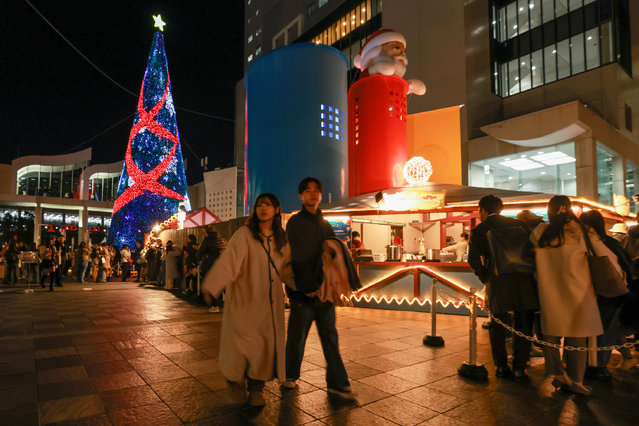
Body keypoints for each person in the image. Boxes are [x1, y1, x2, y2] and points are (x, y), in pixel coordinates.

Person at [201, 193, 290, 407]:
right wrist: (212, 286)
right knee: (243, 345)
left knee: (262, 348)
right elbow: (228, 262)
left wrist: (305, 286)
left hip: (269, 304)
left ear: (277, 209)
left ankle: (257, 390)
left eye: (268, 204)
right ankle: (235, 378)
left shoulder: (281, 239)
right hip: (245, 300)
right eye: (260, 204)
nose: (263, 208)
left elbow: (288, 269)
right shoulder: (244, 235)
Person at [530, 195, 623, 395]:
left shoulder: (541, 233)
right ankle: (577, 381)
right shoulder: (583, 231)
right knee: (577, 339)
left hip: (550, 293)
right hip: (580, 293)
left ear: (550, 210)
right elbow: (608, 257)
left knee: (551, 337)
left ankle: (558, 374)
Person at [283, 177, 352, 397]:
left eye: (316, 190)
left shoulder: (324, 224)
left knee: (330, 338)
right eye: (308, 190)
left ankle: (337, 381)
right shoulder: (295, 223)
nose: (313, 194)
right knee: (296, 337)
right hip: (302, 294)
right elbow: (297, 257)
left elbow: (331, 256)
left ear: (320, 195)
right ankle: (290, 375)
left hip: (324, 294)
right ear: (301, 196)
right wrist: (305, 287)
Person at [468, 195, 539, 381]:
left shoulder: (480, 230)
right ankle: (520, 367)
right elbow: (533, 252)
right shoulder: (522, 226)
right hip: (524, 281)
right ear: (501, 208)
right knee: (523, 324)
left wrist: (486, 277)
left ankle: (501, 367)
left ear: (482, 210)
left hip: (498, 281)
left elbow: (473, 260)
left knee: (498, 324)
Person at [580, 210, 633, 380]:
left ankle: (595, 365)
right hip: (614, 293)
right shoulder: (611, 243)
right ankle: (599, 366)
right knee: (607, 330)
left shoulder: (586, 243)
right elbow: (627, 265)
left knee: (596, 331)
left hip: (592, 294)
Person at [198, 225, 224, 312]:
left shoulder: (208, 239)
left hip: (212, 263)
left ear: (207, 232)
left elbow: (201, 251)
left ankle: (214, 305)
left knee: (212, 283)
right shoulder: (220, 238)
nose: (203, 234)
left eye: (204, 232)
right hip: (223, 263)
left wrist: (198, 258)